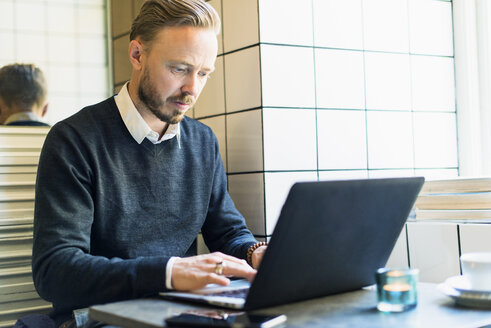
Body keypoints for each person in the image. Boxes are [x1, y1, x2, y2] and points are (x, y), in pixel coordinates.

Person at [32, 0, 267, 326]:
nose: (192, 89)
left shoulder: (203, 141)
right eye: (179, 69)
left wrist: (256, 253)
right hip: (103, 317)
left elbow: (228, 233)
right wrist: (169, 272)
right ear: (137, 55)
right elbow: (55, 271)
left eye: (203, 74)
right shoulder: (74, 140)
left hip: (182, 313)